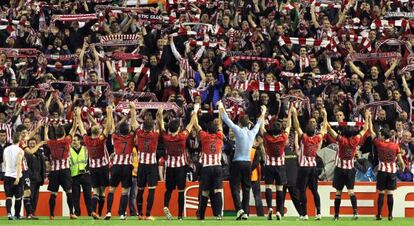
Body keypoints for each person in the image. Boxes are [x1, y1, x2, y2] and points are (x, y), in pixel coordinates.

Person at [220, 101, 266, 220]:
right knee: (246, 188)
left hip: (237, 163)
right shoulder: (252, 132)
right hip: (247, 164)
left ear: (240, 123)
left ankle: (239, 209)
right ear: (248, 123)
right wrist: (264, 111)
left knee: (234, 186)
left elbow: (225, 119)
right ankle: (245, 212)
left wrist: (220, 106)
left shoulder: (238, 130)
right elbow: (260, 121)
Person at [327, 110, 370, 221]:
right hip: (350, 169)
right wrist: (367, 117)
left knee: (338, 193)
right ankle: (355, 212)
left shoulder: (342, 140)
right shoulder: (355, 140)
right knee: (351, 191)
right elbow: (365, 129)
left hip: (340, 169)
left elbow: (330, 130)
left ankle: (336, 215)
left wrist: (325, 117)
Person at [158, 107, 195, 220]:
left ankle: (165, 206)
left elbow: (161, 126)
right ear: (178, 128)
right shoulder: (182, 136)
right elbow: (191, 124)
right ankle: (179, 216)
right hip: (181, 168)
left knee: (169, 190)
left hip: (170, 168)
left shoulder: (166, 137)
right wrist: (195, 111)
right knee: (180, 191)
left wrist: (160, 113)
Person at [76, 106, 113, 219]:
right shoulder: (101, 139)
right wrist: (110, 113)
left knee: (96, 191)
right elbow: (108, 127)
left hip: (93, 168)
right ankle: (98, 212)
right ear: (98, 131)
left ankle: (94, 212)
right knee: (102, 191)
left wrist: (78, 115)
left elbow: (81, 128)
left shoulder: (87, 140)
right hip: (103, 167)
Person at [292, 107, 327, 220]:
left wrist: (294, 114)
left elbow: (296, 126)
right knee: (315, 191)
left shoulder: (304, 138)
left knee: (302, 191)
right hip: (313, 167)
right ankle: (319, 213)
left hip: (303, 168)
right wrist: (325, 116)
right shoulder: (317, 138)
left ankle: (305, 214)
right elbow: (324, 129)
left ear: (306, 130)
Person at [368, 117, 405, 221]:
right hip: (392, 172)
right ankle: (390, 215)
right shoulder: (395, 145)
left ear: (383, 136)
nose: (379, 135)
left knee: (381, 192)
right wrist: (402, 168)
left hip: (382, 171)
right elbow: (401, 161)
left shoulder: (380, 143)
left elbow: (371, 132)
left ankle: (379, 214)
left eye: (380, 134)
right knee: (390, 193)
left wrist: (369, 119)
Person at [194, 104, 225, 220]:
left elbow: (196, 125)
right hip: (217, 167)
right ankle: (218, 215)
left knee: (205, 192)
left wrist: (196, 110)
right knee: (217, 190)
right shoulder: (219, 136)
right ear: (216, 130)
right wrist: (220, 108)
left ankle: (201, 216)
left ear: (207, 129)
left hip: (206, 168)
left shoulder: (204, 136)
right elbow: (221, 124)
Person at [104, 103, 135, 220]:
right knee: (124, 192)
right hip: (127, 167)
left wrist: (110, 113)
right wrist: (131, 112)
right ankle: (122, 214)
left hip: (116, 166)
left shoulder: (116, 137)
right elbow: (134, 126)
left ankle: (108, 212)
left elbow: (112, 127)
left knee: (111, 190)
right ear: (128, 131)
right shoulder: (131, 137)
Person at [44, 115, 78, 220]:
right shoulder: (66, 140)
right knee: (69, 191)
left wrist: (46, 129)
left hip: (54, 171)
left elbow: (46, 138)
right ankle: (72, 213)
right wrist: (76, 120)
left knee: (53, 193)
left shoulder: (51, 142)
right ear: (63, 133)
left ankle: (52, 214)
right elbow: (73, 130)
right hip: (65, 170)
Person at [261, 108, 292, 220]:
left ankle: (269, 207)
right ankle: (279, 211)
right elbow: (288, 126)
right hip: (280, 166)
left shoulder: (267, 137)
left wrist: (264, 113)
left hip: (269, 165)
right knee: (279, 189)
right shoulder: (283, 137)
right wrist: (290, 113)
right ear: (280, 130)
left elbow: (261, 127)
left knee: (268, 186)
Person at [132, 104, 161, 220]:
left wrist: (133, 109)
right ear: (152, 126)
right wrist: (159, 114)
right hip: (152, 166)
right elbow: (159, 124)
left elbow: (134, 123)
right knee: (151, 190)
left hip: (142, 166)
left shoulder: (139, 133)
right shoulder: (155, 135)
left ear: (143, 125)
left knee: (140, 190)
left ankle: (140, 214)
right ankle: (148, 214)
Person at [69, 134, 92, 217]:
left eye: (75, 140)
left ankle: (90, 212)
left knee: (88, 195)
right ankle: (77, 213)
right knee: (75, 196)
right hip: (74, 175)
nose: (73, 142)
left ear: (79, 141)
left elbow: (90, 160)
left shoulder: (86, 149)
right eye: (72, 141)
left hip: (85, 174)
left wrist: (89, 169)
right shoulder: (69, 151)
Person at [3, 133, 24, 220]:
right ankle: (17, 215)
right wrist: (18, 177)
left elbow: (4, 162)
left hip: (7, 175)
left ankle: (8, 213)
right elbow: (19, 163)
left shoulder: (6, 149)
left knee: (8, 197)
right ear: (19, 140)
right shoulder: (20, 150)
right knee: (18, 197)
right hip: (16, 176)